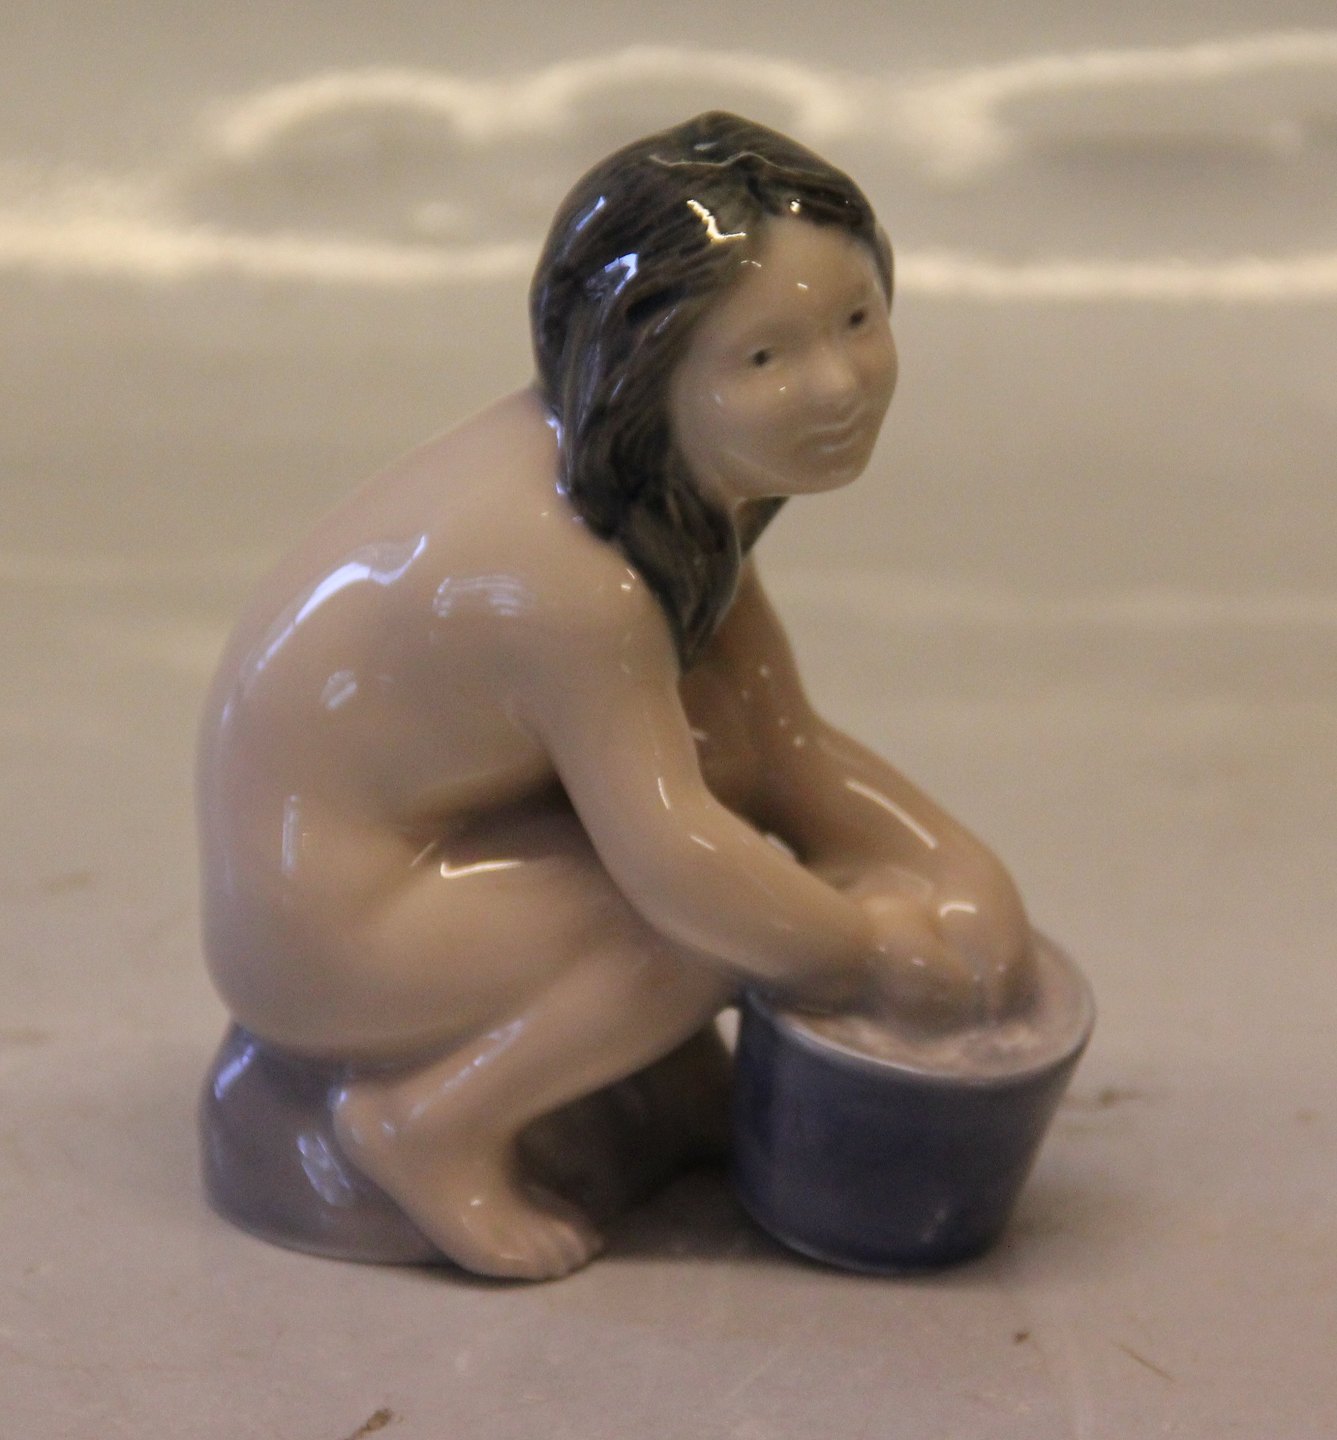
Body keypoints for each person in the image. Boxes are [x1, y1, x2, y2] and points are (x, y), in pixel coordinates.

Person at [197, 112, 1034, 1280]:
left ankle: (640, 1082)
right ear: (645, 371)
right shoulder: (574, 582)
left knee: (717, 772)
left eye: (857, 320)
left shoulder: (677, 490)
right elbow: (674, 859)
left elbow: (778, 742)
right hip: (325, 926)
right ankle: (423, 1126)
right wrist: (862, 955)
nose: (838, 383)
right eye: (763, 357)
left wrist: (960, 875)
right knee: (691, 927)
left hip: (453, 846)